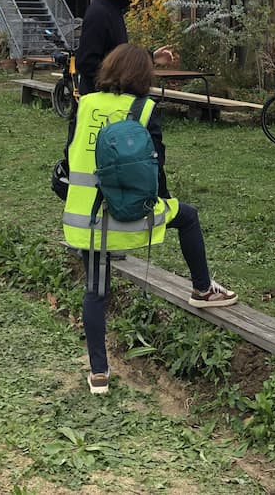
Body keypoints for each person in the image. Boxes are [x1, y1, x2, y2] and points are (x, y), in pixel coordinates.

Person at [57, 43, 236, 394]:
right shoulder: (145, 109)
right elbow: (156, 166)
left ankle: (98, 373)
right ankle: (202, 288)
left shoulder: (86, 103)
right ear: (144, 76)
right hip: (132, 216)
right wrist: (161, 202)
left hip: (86, 218)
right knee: (187, 216)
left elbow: (69, 152)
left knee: (95, 292)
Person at [75, 0, 175, 95]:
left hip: (111, 100)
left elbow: (118, 55)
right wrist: (115, 84)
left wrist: (150, 56)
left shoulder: (113, 9)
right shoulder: (99, 14)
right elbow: (86, 62)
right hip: (101, 105)